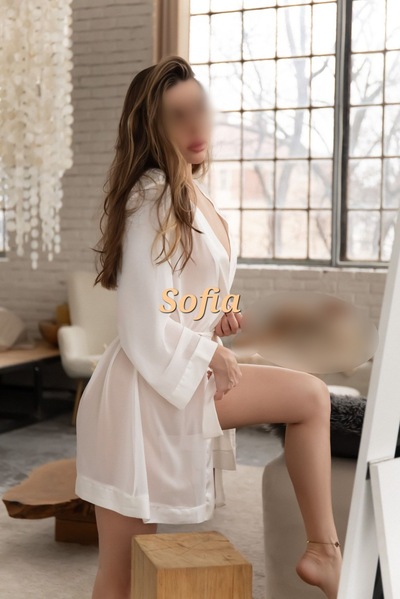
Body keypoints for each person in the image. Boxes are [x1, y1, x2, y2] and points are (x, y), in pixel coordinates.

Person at [75, 55, 342, 599]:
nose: (195, 125)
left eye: (198, 108)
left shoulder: (190, 193)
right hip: (139, 395)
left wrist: (212, 318)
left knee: (123, 571)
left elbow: (174, 295)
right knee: (120, 572)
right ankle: (323, 551)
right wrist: (209, 353)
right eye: (177, 116)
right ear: (153, 127)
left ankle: (324, 550)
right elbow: (141, 318)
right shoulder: (152, 197)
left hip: (167, 384)